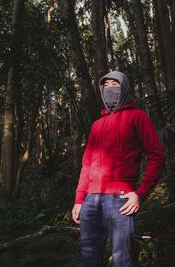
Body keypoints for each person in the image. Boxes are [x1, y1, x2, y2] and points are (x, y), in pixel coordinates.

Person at [71, 70, 166, 267]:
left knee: (122, 260)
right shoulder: (97, 125)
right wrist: (80, 199)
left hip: (120, 200)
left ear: (124, 88)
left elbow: (157, 156)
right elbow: (87, 164)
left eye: (115, 85)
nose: (109, 89)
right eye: (105, 86)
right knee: (89, 260)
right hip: (90, 202)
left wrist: (140, 194)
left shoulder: (138, 117)